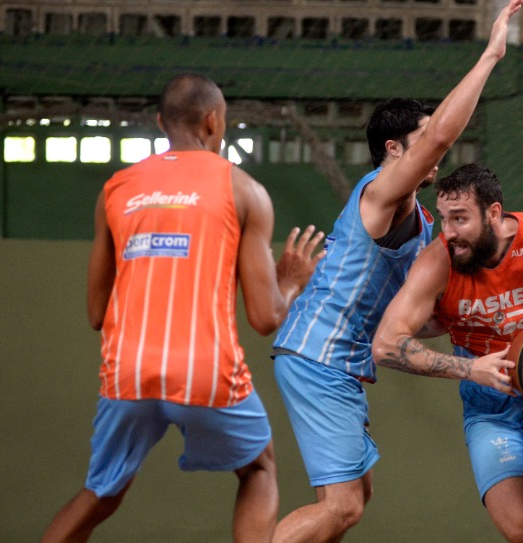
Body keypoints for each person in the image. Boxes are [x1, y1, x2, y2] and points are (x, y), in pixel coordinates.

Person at [268, 2, 523, 541]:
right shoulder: (382, 191)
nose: (436, 148)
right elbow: (438, 140)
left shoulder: (423, 223)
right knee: (341, 505)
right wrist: (490, 54)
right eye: (425, 137)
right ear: (393, 148)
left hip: (331, 361)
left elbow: (416, 316)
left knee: (354, 499)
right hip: (318, 358)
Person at [40, 73, 325, 543]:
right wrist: (289, 283)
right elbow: (264, 318)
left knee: (101, 492)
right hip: (204, 369)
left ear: (160, 122)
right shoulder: (244, 190)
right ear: (213, 122)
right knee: (258, 469)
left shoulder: (116, 188)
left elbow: (96, 313)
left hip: (127, 370)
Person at [371, 163, 523, 543]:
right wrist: (470, 369)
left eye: (460, 219)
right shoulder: (437, 263)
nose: (448, 232)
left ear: (494, 213)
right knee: (520, 526)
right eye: (445, 219)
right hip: (487, 399)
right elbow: (385, 345)